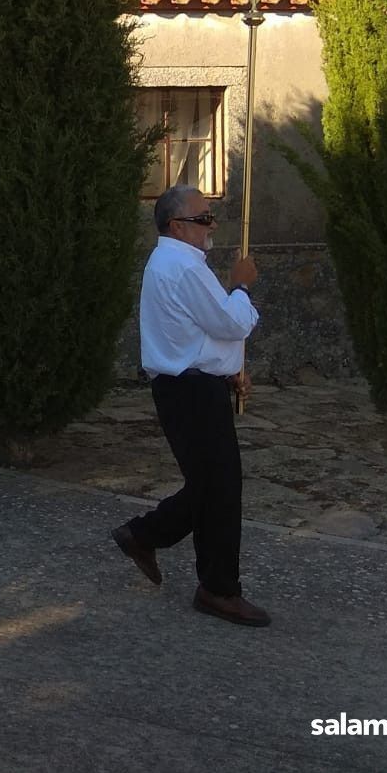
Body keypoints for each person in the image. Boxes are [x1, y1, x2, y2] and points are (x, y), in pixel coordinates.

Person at [110, 184, 268, 628]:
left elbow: (194, 334)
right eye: (203, 219)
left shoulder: (172, 263)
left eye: (210, 217)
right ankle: (217, 589)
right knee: (219, 488)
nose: (211, 226)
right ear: (176, 226)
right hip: (190, 393)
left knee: (212, 485)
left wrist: (228, 370)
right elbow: (232, 322)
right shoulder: (182, 267)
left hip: (191, 387)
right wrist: (241, 285)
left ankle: (143, 535)